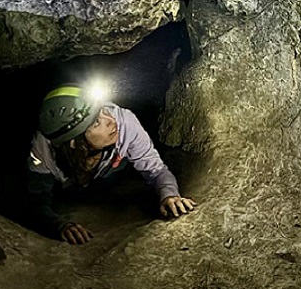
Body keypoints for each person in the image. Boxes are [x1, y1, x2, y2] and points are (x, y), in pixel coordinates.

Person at [26, 84, 196, 244]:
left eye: (103, 110)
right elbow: (37, 200)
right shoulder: (43, 147)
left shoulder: (125, 123)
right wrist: (59, 224)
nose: (110, 120)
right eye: (96, 122)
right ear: (73, 142)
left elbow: (157, 170)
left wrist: (169, 195)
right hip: (69, 187)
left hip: (110, 179)